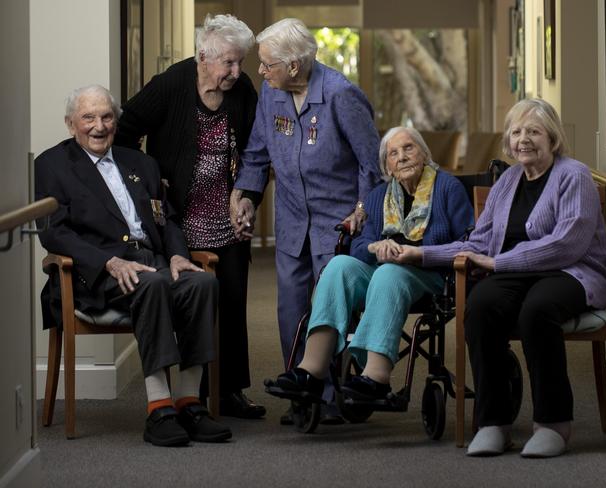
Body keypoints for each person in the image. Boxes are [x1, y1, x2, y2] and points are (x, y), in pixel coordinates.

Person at [386, 99, 606, 458]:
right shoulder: (508, 180)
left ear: (552, 138)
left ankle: (553, 423)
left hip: (571, 272)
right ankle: (494, 422)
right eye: (517, 132)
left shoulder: (575, 175)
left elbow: (566, 245)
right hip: (511, 270)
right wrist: (423, 254)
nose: (524, 140)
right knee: (480, 306)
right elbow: (478, 242)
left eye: (534, 131)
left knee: (537, 311)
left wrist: (497, 263)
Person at [36, 85, 231, 447]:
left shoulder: (140, 162)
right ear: (70, 124)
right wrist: (109, 262)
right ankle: (159, 408)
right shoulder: (52, 165)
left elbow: (167, 219)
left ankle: (189, 402)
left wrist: (176, 254)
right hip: (95, 275)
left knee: (202, 284)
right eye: (88, 118)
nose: (99, 126)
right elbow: (54, 235)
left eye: (107, 117)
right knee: (152, 285)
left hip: (155, 263)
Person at [231, 17, 382, 424]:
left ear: (294, 65)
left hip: (339, 222)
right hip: (293, 217)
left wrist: (363, 210)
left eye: (266, 64)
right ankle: (302, 392)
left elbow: (372, 164)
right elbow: (258, 150)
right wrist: (245, 195)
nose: (259, 71)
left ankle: (331, 396)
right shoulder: (272, 92)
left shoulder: (341, 95)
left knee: (331, 308)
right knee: (291, 308)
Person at [115, 14, 265, 419]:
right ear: (203, 56)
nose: (236, 72)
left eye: (240, 63)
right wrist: (146, 178)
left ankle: (229, 391)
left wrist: (248, 195)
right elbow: (125, 127)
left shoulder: (243, 90)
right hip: (179, 213)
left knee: (232, 300)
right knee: (191, 301)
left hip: (227, 209)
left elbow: (256, 150)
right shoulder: (172, 83)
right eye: (229, 63)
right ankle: (190, 391)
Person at [265, 127, 473, 405]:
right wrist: (376, 247)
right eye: (393, 153)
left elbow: (466, 243)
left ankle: (376, 376)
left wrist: (417, 254)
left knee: (389, 272)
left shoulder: (448, 188)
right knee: (338, 265)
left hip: (430, 275)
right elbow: (360, 247)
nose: (401, 157)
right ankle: (311, 371)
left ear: (424, 153)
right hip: (382, 271)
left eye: (409, 148)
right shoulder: (378, 197)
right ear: (386, 165)